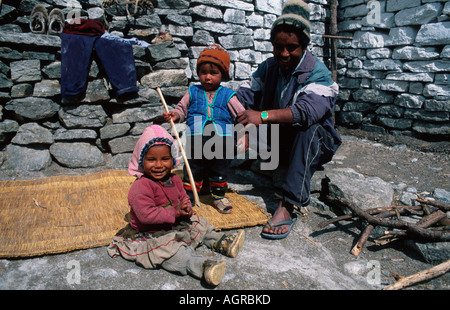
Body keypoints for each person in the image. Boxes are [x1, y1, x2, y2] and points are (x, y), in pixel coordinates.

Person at [236, 0, 342, 239]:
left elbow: (306, 111)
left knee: (309, 129)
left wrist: (261, 116)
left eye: (291, 47)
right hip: (279, 140)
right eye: (278, 47)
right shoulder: (269, 67)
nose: (284, 54)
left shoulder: (318, 73)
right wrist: (225, 104)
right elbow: (247, 92)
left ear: (304, 46)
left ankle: (288, 205)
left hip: (313, 143)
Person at [107, 125, 245, 287]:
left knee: (199, 224)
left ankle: (219, 241)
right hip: (151, 233)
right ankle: (201, 267)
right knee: (170, 252)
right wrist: (175, 211)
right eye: (151, 160)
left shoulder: (175, 180)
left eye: (165, 159)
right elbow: (146, 215)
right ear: (141, 161)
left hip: (175, 224)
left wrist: (186, 208)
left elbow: (182, 197)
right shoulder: (140, 187)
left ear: (173, 159)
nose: (159, 165)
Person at [163, 44, 246, 214]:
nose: (207, 77)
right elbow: (182, 109)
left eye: (213, 73)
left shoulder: (228, 94)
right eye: (203, 72)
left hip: (222, 139)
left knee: (219, 166)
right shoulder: (193, 91)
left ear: (223, 75)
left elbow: (241, 115)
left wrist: (244, 134)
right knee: (193, 166)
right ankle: (189, 196)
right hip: (195, 137)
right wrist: (175, 115)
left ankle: (219, 196)